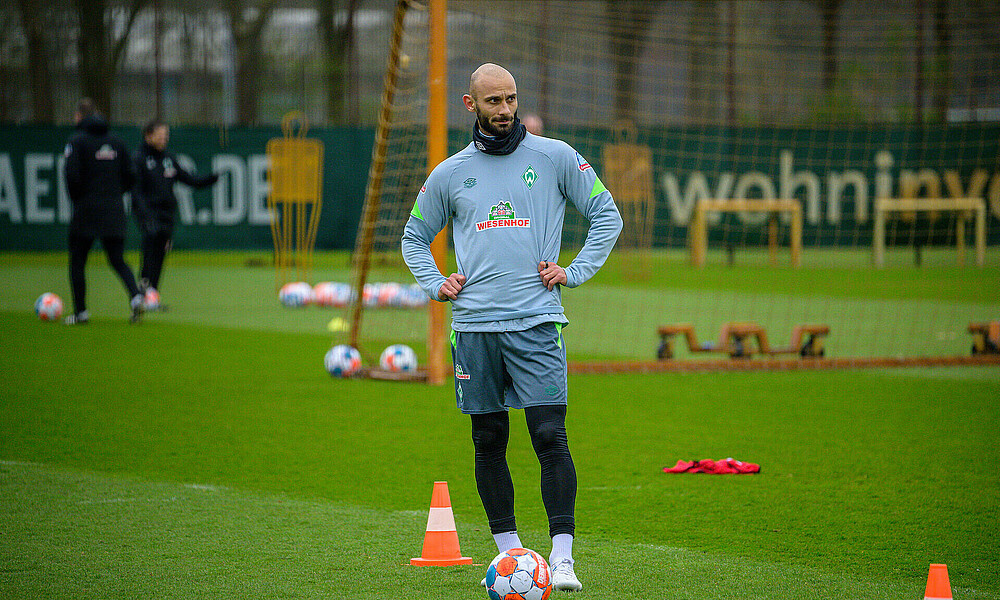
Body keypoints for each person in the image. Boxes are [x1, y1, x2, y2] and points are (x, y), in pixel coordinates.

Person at [401, 63, 622, 592]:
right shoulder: (449, 173)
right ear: (470, 104)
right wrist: (437, 282)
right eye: (493, 101)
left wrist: (574, 270)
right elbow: (413, 237)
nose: (504, 110)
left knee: (550, 436)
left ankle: (563, 559)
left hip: (537, 322)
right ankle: (512, 555)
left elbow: (606, 214)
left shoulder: (555, 157)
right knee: (488, 438)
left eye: (510, 99)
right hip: (475, 327)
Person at [63, 98, 145, 324]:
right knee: (117, 259)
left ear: (79, 116)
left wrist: (79, 198)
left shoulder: (76, 142)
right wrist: (114, 192)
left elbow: (71, 175)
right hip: (113, 208)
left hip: (86, 210)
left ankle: (81, 313)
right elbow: (132, 175)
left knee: (78, 261)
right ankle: (136, 297)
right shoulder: (117, 142)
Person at [132, 120, 219, 307]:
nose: (164, 139)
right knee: (149, 253)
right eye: (160, 135)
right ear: (148, 135)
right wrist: (144, 215)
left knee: (161, 254)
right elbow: (136, 191)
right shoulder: (139, 158)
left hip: (167, 215)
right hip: (149, 214)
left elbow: (190, 179)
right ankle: (142, 292)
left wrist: (211, 179)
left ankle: (152, 295)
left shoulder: (168, 159)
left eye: (166, 135)